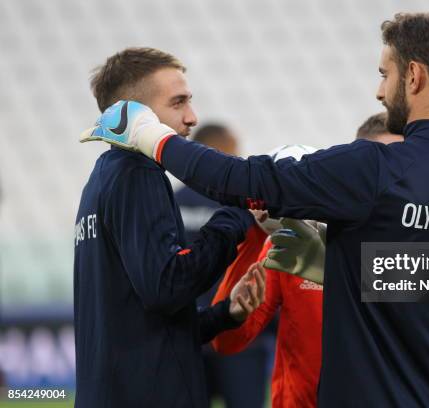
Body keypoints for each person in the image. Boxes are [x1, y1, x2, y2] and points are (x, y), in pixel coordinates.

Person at [82, 12, 429, 407]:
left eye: (383, 73)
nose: (378, 90)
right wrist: (341, 267)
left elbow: (246, 181)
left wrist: (152, 138)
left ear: (413, 76)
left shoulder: (374, 166)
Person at [74, 47, 265, 408]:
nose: (192, 118)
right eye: (178, 103)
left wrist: (225, 314)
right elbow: (167, 286)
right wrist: (236, 213)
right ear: (138, 116)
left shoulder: (100, 179)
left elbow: (144, 321)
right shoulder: (139, 173)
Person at [210, 115, 402, 408]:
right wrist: (253, 235)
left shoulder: (422, 260)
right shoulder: (295, 245)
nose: (389, 184)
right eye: (378, 171)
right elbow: (226, 342)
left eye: (400, 172)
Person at [175, 124, 271, 408]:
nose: (237, 160)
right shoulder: (239, 203)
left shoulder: (172, 202)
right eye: (233, 151)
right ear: (216, 152)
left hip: (190, 330)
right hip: (237, 327)